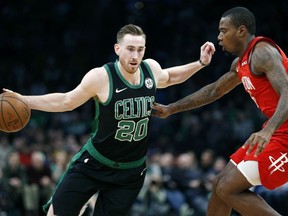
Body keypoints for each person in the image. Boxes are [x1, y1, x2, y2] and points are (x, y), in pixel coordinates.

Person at [4, 24, 215, 216]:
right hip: (95, 162)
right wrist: (23, 100)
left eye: (140, 49)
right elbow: (66, 101)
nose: (135, 55)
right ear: (117, 49)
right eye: (130, 49)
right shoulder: (101, 77)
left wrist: (200, 63)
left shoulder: (151, 69)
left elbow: (170, 77)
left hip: (130, 172)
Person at [152, 6, 288, 216]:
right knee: (217, 184)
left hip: (282, 134)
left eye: (224, 31)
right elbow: (214, 90)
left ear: (241, 31)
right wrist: (171, 108)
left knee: (228, 188)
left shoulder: (262, 51)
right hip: (277, 130)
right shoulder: (240, 63)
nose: (219, 37)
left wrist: (267, 130)